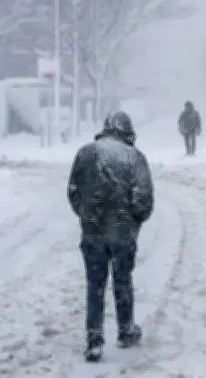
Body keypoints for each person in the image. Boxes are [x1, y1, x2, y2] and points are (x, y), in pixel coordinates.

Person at [67, 111, 154, 362]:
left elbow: (73, 191)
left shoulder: (85, 153)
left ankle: (94, 339)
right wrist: (133, 221)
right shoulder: (135, 158)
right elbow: (143, 201)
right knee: (122, 281)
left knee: (95, 285)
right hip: (123, 234)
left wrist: (86, 215)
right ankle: (126, 330)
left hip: (93, 233)